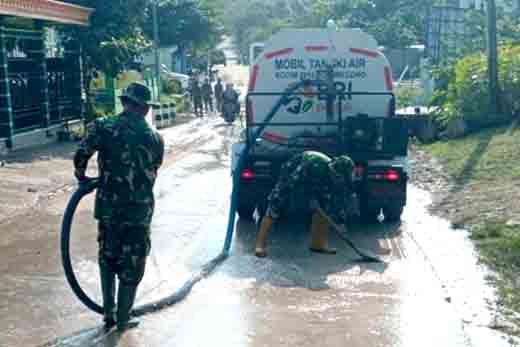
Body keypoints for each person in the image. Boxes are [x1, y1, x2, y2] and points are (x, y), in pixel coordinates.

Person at [73, 82, 164, 331]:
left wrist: (82, 177)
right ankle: (123, 318)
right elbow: (153, 169)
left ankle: (108, 313)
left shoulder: (103, 127)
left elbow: (81, 154)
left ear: (124, 103)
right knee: (133, 261)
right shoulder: (155, 138)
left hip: (109, 209)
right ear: (145, 108)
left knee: (108, 255)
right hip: (138, 212)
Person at [255, 151, 356, 257]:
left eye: (341, 178)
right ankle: (260, 245)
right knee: (276, 203)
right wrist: (310, 198)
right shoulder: (313, 164)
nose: (339, 180)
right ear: (333, 170)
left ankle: (317, 244)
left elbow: (340, 200)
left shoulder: (342, 178)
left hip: (315, 181)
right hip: (293, 172)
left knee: (326, 205)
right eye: (337, 177)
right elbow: (293, 183)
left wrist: (340, 222)